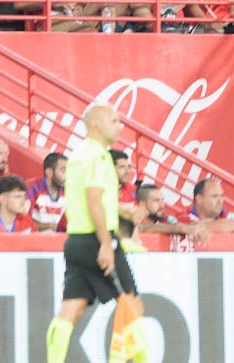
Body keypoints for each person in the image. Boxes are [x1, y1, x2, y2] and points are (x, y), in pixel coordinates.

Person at [45, 104, 146, 363]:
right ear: (96, 124)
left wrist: (121, 210)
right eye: (114, 120)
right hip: (96, 239)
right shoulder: (99, 156)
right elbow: (94, 201)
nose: (119, 126)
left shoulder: (77, 154)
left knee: (71, 309)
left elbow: (87, 199)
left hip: (76, 241)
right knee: (132, 305)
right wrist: (105, 243)